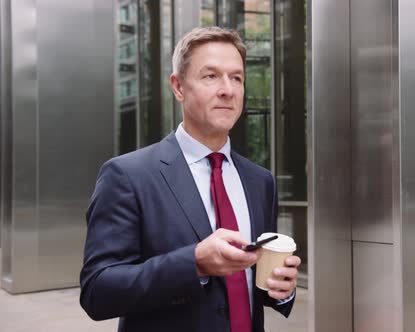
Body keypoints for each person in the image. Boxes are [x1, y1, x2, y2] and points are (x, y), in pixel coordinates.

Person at [80, 26, 300, 332]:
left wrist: (282, 288)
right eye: (211, 76)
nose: (227, 89)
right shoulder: (128, 176)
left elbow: (249, 286)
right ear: (179, 86)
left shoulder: (260, 181)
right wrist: (194, 262)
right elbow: (97, 291)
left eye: (236, 77)